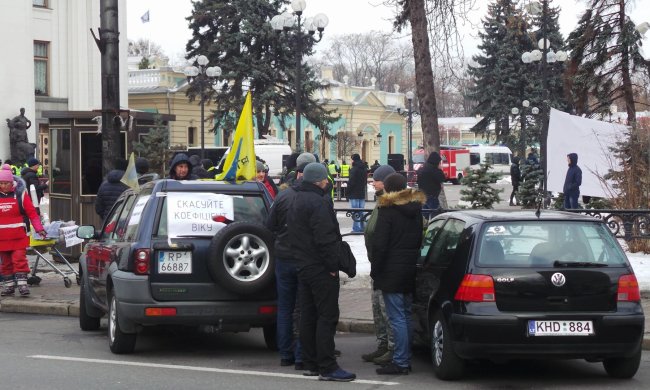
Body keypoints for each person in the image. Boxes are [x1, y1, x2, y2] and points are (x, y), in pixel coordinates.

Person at [287, 163, 356, 382]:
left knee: (308, 315)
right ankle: (327, 366)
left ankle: (310, 363)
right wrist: (331, 267)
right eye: (325, 179)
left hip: (303, 265)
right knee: (327, 316)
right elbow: (325, 238)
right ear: (318, 180)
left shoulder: (295, 199)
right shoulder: (318, 202)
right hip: (320, 268)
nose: (328, 182)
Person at [369, 173, 425, 375]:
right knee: (406, 314)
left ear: (388, 189)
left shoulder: (388, 210)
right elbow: (419, 238)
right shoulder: (415, 209)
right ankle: (405, 357)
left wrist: (376, 270)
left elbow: (380, 244)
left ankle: (400, 361)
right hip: (408, 267)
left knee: (397, 317)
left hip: (391, 270)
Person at [266, 167, 305, 371]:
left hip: (283, 257)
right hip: (304, 258)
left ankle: (285, 355)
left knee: (285, 307)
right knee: (302, 307)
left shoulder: (282, 197)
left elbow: (269, 224)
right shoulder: (313, 198)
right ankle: (300, 355)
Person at [361, 164, 396, 366]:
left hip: (386, 265)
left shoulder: (390, 204)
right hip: (377, 264)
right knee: (377, 308)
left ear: (386, 181)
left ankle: (392, 348)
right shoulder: (380, 202)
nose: (372, 183)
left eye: (376, 180)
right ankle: (382, 345)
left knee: (387, 309)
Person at [0, 164, 47, 297]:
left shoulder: (20, 195)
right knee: (5, 263)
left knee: (19, 260)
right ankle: (8, 287)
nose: (4, 186)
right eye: (1, 183)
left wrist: (39, 229)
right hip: (1, 238)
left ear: (12, 183)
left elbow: (32, 213)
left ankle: (22, 285)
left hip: (19, 236)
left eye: (6, 183)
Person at [416, 151, 445, 218]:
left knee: (426, 214)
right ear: (436, 162)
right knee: (436, 215)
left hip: (422, 194)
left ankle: (427, 225)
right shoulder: (434, 170)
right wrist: (440, 170)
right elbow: (442, 178)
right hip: (432, 195)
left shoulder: (422, 168)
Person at [347, 153, 367, 233]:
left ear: (353, 160)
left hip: (353, 193)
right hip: (361, 193)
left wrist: (347, 193)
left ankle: (356, 228)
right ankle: (362, 227)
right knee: (361, 211)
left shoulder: (354, 169)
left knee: (355, 211)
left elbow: (351, 182)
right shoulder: (364, 168)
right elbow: (365, 181)